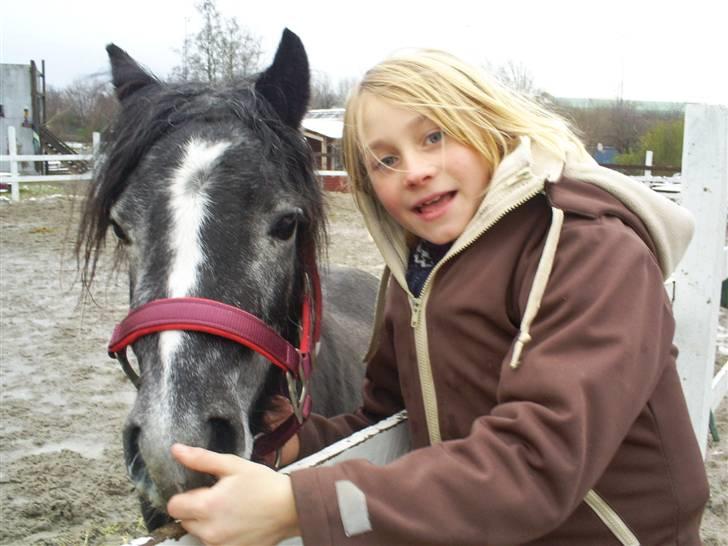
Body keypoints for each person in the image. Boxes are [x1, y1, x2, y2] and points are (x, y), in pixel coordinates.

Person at [166, 48, 709, 546]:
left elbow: (537, 466)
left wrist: (300, 506)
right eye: (385, 160)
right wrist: (299, 444)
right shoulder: (417, 270)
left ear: (486, 124)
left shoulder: (590, 252)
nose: (417, 171)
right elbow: (390, 422)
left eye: (434, 137)